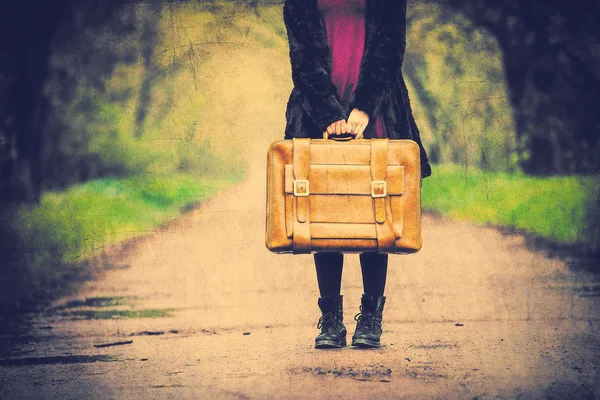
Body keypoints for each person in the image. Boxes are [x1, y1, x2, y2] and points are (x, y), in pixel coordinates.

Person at [282, 0, 432, 349]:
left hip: (376, 109)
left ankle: (371, 318)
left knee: (375, 208)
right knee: (323, 209)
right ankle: (331, 320)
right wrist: (327, 113)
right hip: (317, 109)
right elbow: (301, 54)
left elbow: (391, 45)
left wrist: (364, 106)